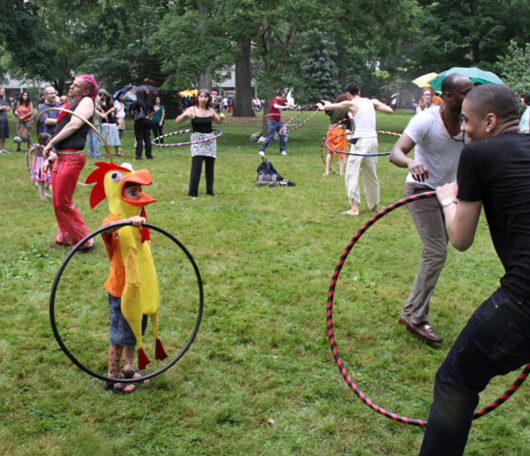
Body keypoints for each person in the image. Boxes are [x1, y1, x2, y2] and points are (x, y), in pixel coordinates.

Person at [419, 84, 530, 456]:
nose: (462, 128)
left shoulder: (479, 153)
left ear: (490, 121)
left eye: (466, 120)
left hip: (524, 297)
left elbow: (461, 238)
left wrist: (448, 199)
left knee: (455, 381)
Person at [389, 74, 473, 343]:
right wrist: (411, 163)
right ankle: (416, 317)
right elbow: (396, 152)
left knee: (436, 252)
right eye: (464, 93)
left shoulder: (468, 123)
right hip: (421, 190)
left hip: (448, 193)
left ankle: (411, 310)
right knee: (436, 250)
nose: (470, 97)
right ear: (448, 96)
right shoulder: (426, 119)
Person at [317, 82, 394, 215]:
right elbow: (390, 111)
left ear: (348, 94)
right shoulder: (372, 102)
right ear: (359, 91)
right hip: (373, 141)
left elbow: (330, 107)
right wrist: (374, 106)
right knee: (371, 174)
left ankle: (355, 208)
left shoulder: (351, 103)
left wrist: (322, 106)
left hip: (360, 143)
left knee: (352, 173)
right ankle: (374, 205)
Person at [41, 74, 99, 250]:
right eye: (72, 84)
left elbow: (74, 125)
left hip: (72, 158)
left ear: (86, 91)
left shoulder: (87, 101)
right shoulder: (70, 103)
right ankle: (65, 237)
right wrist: (53, 156)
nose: (72, 87)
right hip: (61, 156)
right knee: (57, 202)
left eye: (76, 85)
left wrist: (50, 142)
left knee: (62, 202)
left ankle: (84, 240)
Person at [175, 88, 225, 198]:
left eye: (205, 97)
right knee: (196, 166)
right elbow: (177, 120)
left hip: (210, 140)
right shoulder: (192, 109)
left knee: (210, 166)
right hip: (197, 139)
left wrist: (221, 118)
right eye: (201, 96)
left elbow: (218, 122)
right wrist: (185, 116)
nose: (203, 99)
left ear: (208, 99)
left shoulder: (210, 110)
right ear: (198, 97)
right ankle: (193, 192)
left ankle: (210, 190)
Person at [258, 90, 296, 156]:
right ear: (279, 96)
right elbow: (276, 106)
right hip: (272, 121)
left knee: (282, 135)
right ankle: (261, 150)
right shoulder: (274, 101)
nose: (284, 99)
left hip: (279, 121)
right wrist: (285, 107)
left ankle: (283, 150)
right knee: (270, 136)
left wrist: (292, 105)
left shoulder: (280, 101)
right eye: (283, 97)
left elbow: (285, 103)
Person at [323, 93, 351, 176]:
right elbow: (350, 115)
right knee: (341, 152)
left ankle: (327, 171)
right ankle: (341, 172)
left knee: (329, 152)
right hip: (340, 132)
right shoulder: (346, 109)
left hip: (331, 131)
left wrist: (326, 104)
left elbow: (326, 109)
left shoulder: (333, 108)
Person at [130, 89, 154, 160]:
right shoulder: (148, 103)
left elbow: (132, 112)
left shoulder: (136, 103)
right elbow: (155, 111)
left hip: (138, 122)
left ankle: (139, 155)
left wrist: (133, 116)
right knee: (147, 138)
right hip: (146, 121)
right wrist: (149, 115)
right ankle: (149, 155)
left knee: (139, 139)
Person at [99, 90, 122, 157]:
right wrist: (110, 110)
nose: (111, 102)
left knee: (116, 138)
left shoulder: (112, 106)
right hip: (106, 124)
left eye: (112, 100)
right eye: (110, 100)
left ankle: (117, 152)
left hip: (113, 123)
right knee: (107, 139)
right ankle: (108, 153)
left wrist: (115, 112)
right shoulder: (103, 106)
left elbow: (114, 115)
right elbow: (103, 115)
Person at [30, 132, 52, 201]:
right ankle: (55, 197)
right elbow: (50, 156)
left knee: (41, 183)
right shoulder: (46, 149)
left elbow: (31, 149)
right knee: (50, 183)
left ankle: (42, 198)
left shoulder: (36, 146)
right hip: (45, 168)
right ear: (46, 141)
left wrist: (30, 152)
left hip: (38, 168)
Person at [0, 87, 10, 154]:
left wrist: (3, 107)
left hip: (5, 119)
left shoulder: (3, 100)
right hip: (0, 119)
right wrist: (4, 107)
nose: (3, 93)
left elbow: (9, 108)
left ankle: (2, 149)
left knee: (4, 135)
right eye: (2, 92)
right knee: (0, 135)